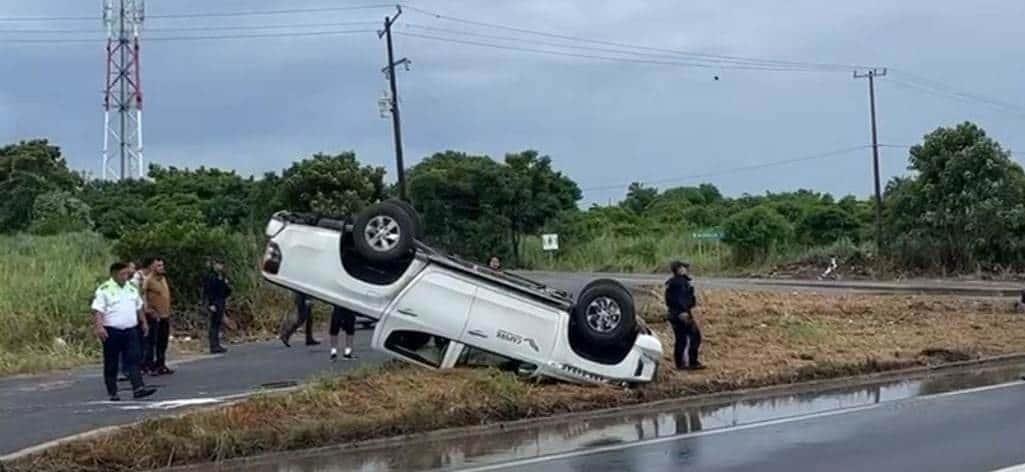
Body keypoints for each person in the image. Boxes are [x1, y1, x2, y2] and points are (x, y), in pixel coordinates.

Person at [91, 262, 156, 401]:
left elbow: (138, 306)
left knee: (134, 358)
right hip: (112, 330)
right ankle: (112, 391)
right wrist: (99, 326)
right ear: (114, 274)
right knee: (112, 362)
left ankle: (138, 388)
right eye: (122, 274)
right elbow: (98, 310)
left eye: (127, 274)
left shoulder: (131, 288)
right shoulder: (104, 289)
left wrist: (143, 322)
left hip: (130, 329)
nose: (125, 277)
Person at [664, 260, 704, 371]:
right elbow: (681, 299)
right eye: (684, 267)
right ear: (679, 269)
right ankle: (692, 362)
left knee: (681, 339)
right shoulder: (680, 283)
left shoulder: (672, 283)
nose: (686, 270)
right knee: (695, 336)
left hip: (673, 314)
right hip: (681, 314)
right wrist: (683, 312)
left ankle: (680, 364)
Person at [142, 257, 175, 376]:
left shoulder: (163, 279)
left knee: (163, 341)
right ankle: (149, 366)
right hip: (154, 315)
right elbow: (143, 295)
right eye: (158, 266)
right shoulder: (149, 280)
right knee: (152, 342)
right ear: (152, 267)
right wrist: (148, 309)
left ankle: (161, 364)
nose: (161, 268)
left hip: (165, 314)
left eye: (162, 265)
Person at [202, 258, 233, 354]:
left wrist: (226, 284)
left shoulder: (222, 277)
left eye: (221, 265)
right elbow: (208, 291)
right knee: (214, 324)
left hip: (221, 301)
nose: (220, 266)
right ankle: (213, 345)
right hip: (214, 302)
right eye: (218, 264)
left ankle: (217, 344)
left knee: (218, 324)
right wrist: (211, 304)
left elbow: (227, 291)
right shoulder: (210, 276)